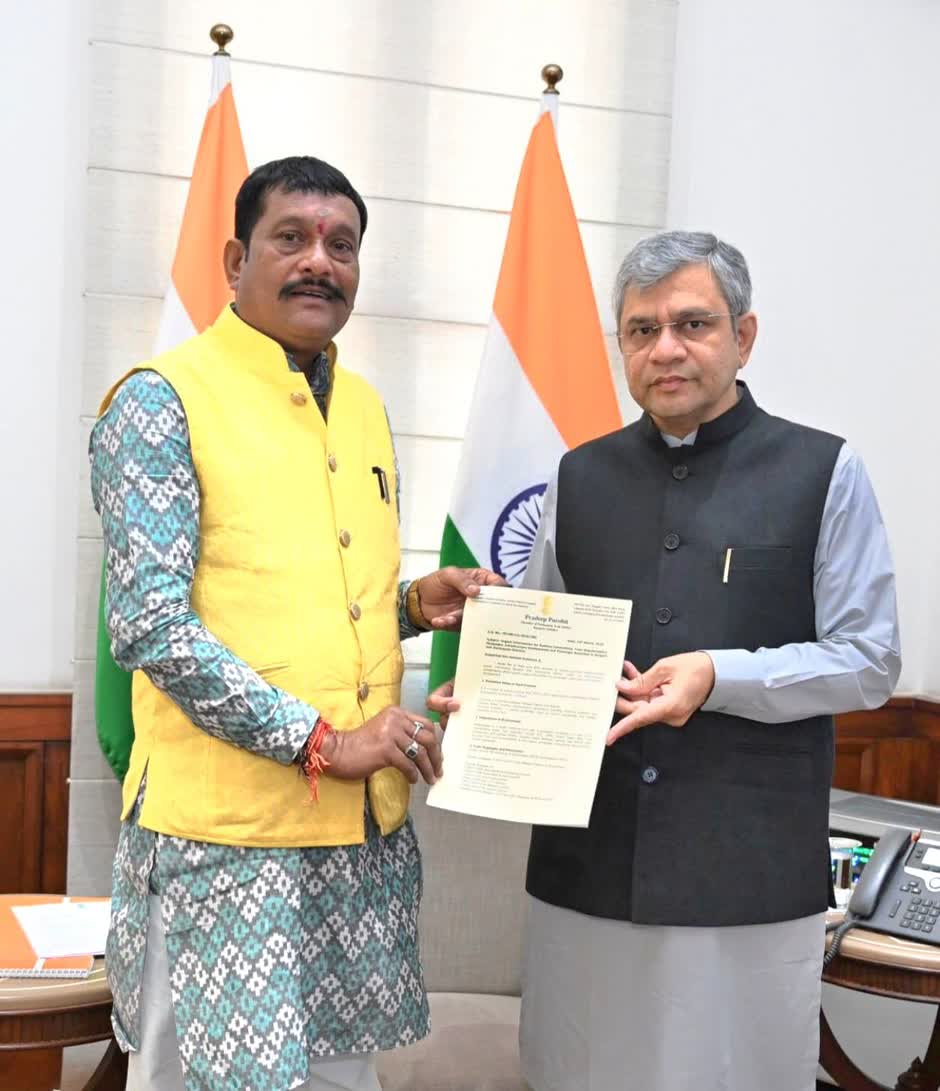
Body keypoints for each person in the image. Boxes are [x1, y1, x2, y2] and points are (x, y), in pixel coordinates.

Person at [430, 230, 901, 1091]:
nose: (666, 349)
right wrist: (496, 691)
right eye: (642, 330)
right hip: (589, 870)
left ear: (743, 336)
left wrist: (720, 675)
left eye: (693, 324)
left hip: (746, 874)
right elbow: (550, 640)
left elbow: (868, 659)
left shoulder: (824, 470)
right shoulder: (579, 476)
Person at [91, 155, 500, 1091]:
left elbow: (294, 597)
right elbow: (152, 625)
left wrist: (411, 605)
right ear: (236, 260)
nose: (321, 260)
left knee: (338, 1081)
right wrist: (325, 741)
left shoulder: (362, 406)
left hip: (356, 840)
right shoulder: (160, 399)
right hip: (224, 844)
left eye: (342, 245)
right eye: (292, 238)